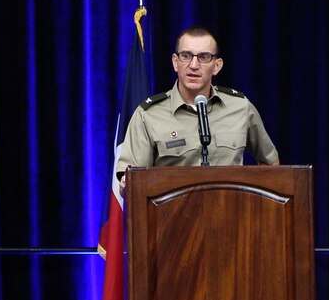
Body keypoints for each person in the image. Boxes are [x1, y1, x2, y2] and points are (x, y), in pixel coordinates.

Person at [115, 25, 279, 188]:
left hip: (230, 211)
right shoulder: (148, 115)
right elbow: (131, 187)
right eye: (186, 56)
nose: (194, 65)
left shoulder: (240, 107)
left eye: (204, 57)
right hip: (171, 213)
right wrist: (126, 184)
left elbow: (271, 165)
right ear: (175, 62)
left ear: (217, 66)